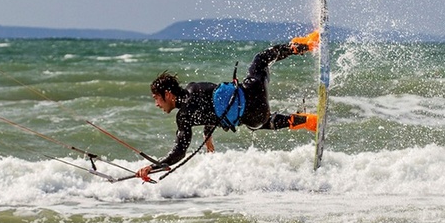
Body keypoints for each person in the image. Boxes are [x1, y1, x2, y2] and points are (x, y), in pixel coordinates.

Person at [135, 30, 320, 181]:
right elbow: (214, 103)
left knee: (254, 121)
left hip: (256, 117)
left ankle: (308, 122)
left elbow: (178, 153)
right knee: (261, 59)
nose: (156, 104)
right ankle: (305, 45)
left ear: (168, 94)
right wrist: (207, 133)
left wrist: (150, 167)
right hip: (254, 91)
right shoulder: (194, 88)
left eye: (156, 98)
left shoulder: (184, 117)